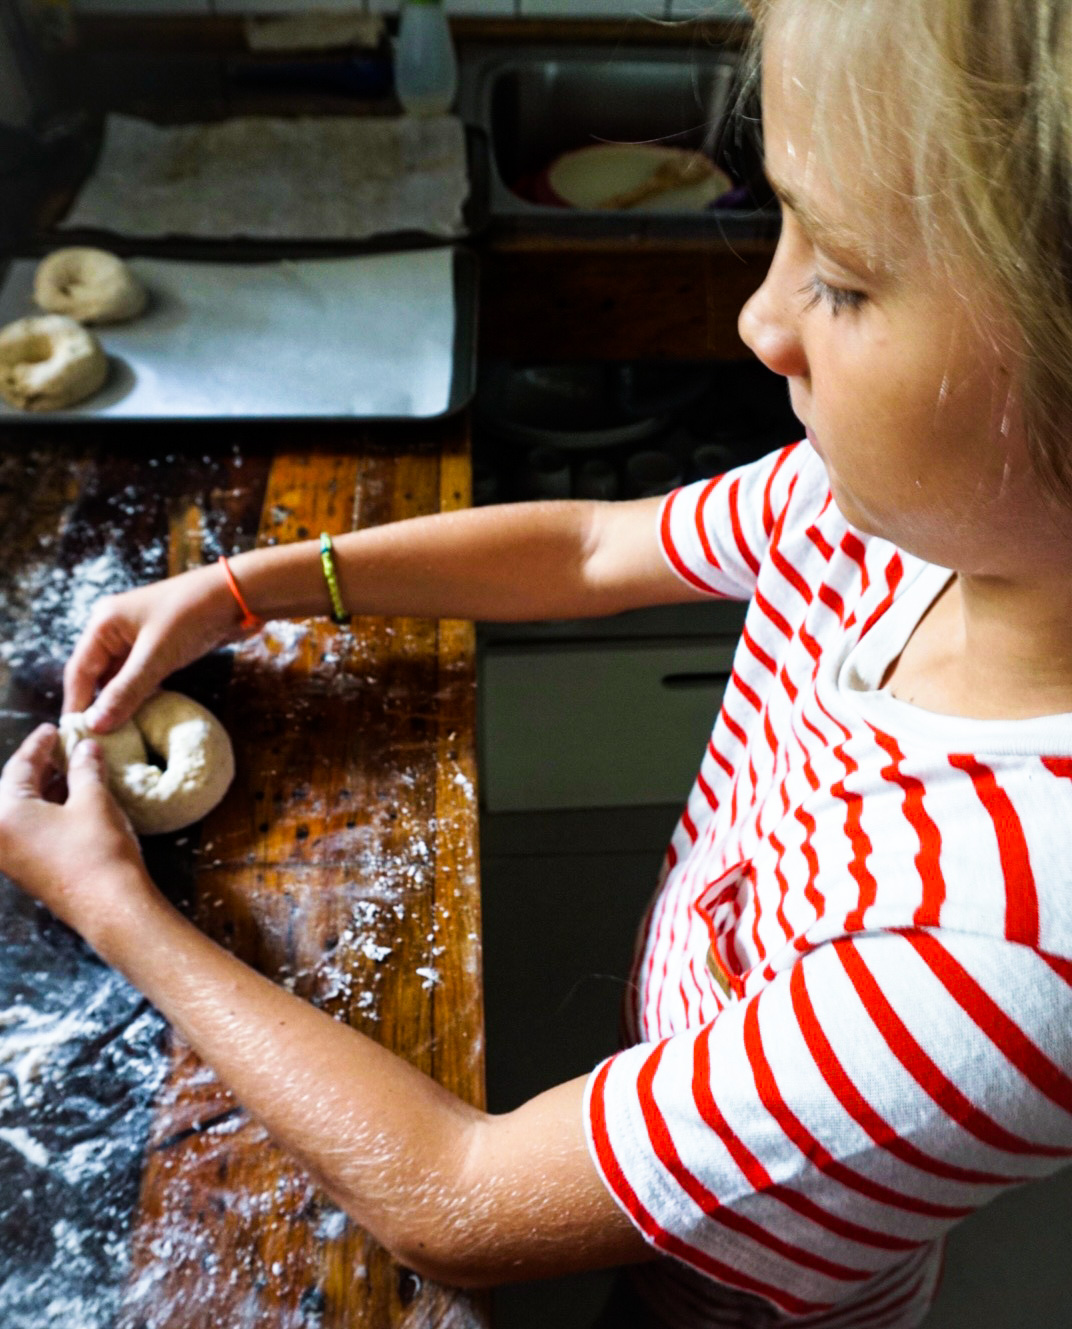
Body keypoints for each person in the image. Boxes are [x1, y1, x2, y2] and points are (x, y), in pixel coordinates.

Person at [3, 1, 1072, 1324]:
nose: (758, 320)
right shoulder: (888, 517)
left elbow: (456, 1196)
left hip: (752, 1296)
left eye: (842, 280)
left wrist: (110, 902)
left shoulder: (998, 957)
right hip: (710, 1083)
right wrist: (254, 585)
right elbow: (589, 547)